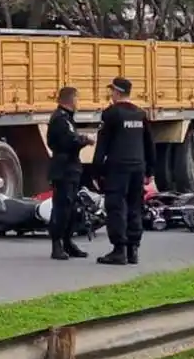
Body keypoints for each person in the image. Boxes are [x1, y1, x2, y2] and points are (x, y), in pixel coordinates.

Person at [92, 77, 156, 266]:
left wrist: (96, 172)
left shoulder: (111, 114)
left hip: (118, 168)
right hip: (138, 167)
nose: (110, 94)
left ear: (117, 93)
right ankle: (133, 250)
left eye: (112, 91)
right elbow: (149, 144)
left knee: (116, 207)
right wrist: (150, 170)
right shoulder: (140, 114)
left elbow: (102, 145)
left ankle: (119, 250)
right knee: (135, 206)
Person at [47, 86, 94, 260]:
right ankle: (57, 243)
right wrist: (85, 140)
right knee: (62, 206)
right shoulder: (60, 119)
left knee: (72, 207)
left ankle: (67, 241)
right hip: (63, 169)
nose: (78, 103)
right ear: (71, 100)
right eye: (76, 99)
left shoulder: (67, 118)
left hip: (71, 167)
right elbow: (69, 140)